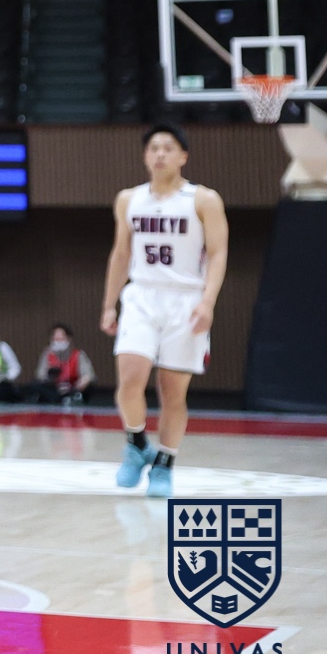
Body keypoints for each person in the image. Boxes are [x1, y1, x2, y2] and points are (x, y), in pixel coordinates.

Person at [101, 125, 228, 499]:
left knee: (172, 392)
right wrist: (109, 304)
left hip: (185, 300)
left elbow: (218, 253)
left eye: (168, 148)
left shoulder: (203, 199)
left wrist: (208, 302)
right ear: (145, 156)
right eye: (154, 148)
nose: (160, 154)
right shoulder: (129, 199)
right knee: (129, 380)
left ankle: (164, 463)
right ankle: (137, 443)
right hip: (141, 295)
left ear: (183, 156)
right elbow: (121, 254)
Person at [32, 324, 95, 404]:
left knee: (90, 386)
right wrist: (49, 377)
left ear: (68, 339)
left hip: (73, 387)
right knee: (35, 385)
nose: (58, 342)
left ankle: (73, 397)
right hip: (55, 387)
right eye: (55, 339)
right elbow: (40, 375)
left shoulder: (78, 354)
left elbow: (88, 374)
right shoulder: (47, 354)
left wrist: (82, 382)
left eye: (61, 339)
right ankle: (59, 399)